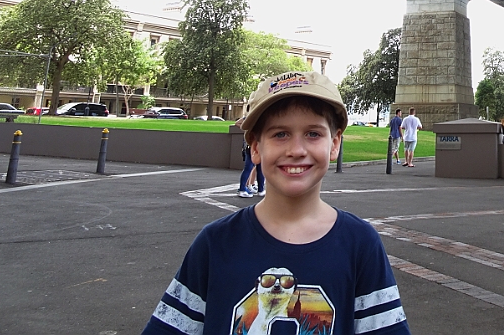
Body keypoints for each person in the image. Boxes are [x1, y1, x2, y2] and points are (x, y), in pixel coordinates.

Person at [141, 71, 410, 334]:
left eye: (313, 134)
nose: (296, 150)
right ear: (256, 147)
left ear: (335, 143)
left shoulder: (360, 244)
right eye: (280, 134)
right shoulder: (216, 243)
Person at [236, 115, 265, 198]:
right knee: (258, 168)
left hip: (249, 146)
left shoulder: (250, 118)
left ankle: (243, 188)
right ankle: (259, 190)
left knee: (249, 168)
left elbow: (237, 123)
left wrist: (246, 128)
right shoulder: (262, 119)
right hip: (258, 145)